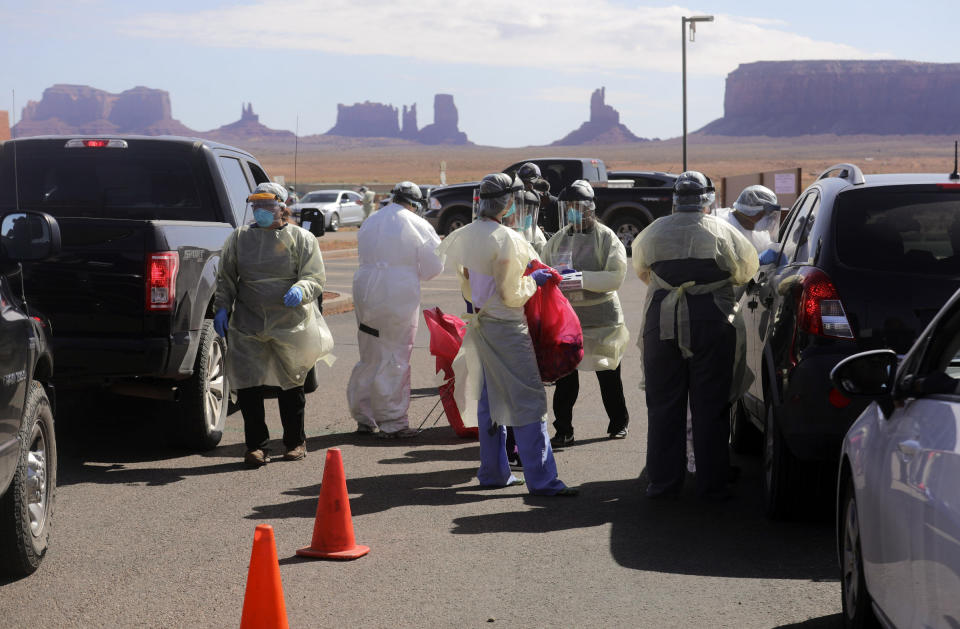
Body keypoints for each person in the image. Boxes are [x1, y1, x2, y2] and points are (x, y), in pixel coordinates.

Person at [436, 172, 576, 496]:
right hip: (507, 328)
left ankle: (493, 472)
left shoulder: (464, 235)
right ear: (509, 202)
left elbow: (469, 283)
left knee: (489, 401)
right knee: (528, 401)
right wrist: (534, 281)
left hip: (479, 325)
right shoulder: (508, 239)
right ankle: (543, 480)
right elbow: (511, 293)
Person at [632, 171, 758, 500]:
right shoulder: (723, 232)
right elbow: (745, 271)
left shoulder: (653, 232)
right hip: (712, 323)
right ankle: (711, 484)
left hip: (661, 323)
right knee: (710, 405)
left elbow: (643, 271)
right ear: (707, 199)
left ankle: (662, 484)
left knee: (663, 404)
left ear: (674, 199)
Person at [214, 182, 333, 468]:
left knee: (291, 384)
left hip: (289, 323)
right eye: (256, 206)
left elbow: (315, 277)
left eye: (267, 206)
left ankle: (295, 442)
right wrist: (222, 307)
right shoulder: (239, 238)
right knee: (248, 386)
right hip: (248, 321)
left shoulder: (302, 239)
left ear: (282, 207)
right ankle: (256, 447)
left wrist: (301, 289)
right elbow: (226, 277)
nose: (261, 211)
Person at [347, 181, 443, 438]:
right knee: (395, 354)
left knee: (370, 352)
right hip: (397, 292)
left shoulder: (372, 220)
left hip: (365, 289)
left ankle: (363, 417)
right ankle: (393, 422)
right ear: (415, 203)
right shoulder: (417, 223)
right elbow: (435, 266)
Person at [541, 180, 630, 446]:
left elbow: (616, 276)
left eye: (578, 207)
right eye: (569, 207)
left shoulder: (606, 237)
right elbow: (545, 267)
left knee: (609, 374)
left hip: (602, 318)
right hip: (569, 319)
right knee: (566, 379)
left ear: (591, 208)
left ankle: (618, 423)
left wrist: (582, 278)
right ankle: (563, 430)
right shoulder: (558, 239)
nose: (574, 212)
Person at [714, 185, 781, 253]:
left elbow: (767, 247)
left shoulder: (759, 233)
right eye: (766, 214)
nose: (769, 218)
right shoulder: (720, 226)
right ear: (752, 211)